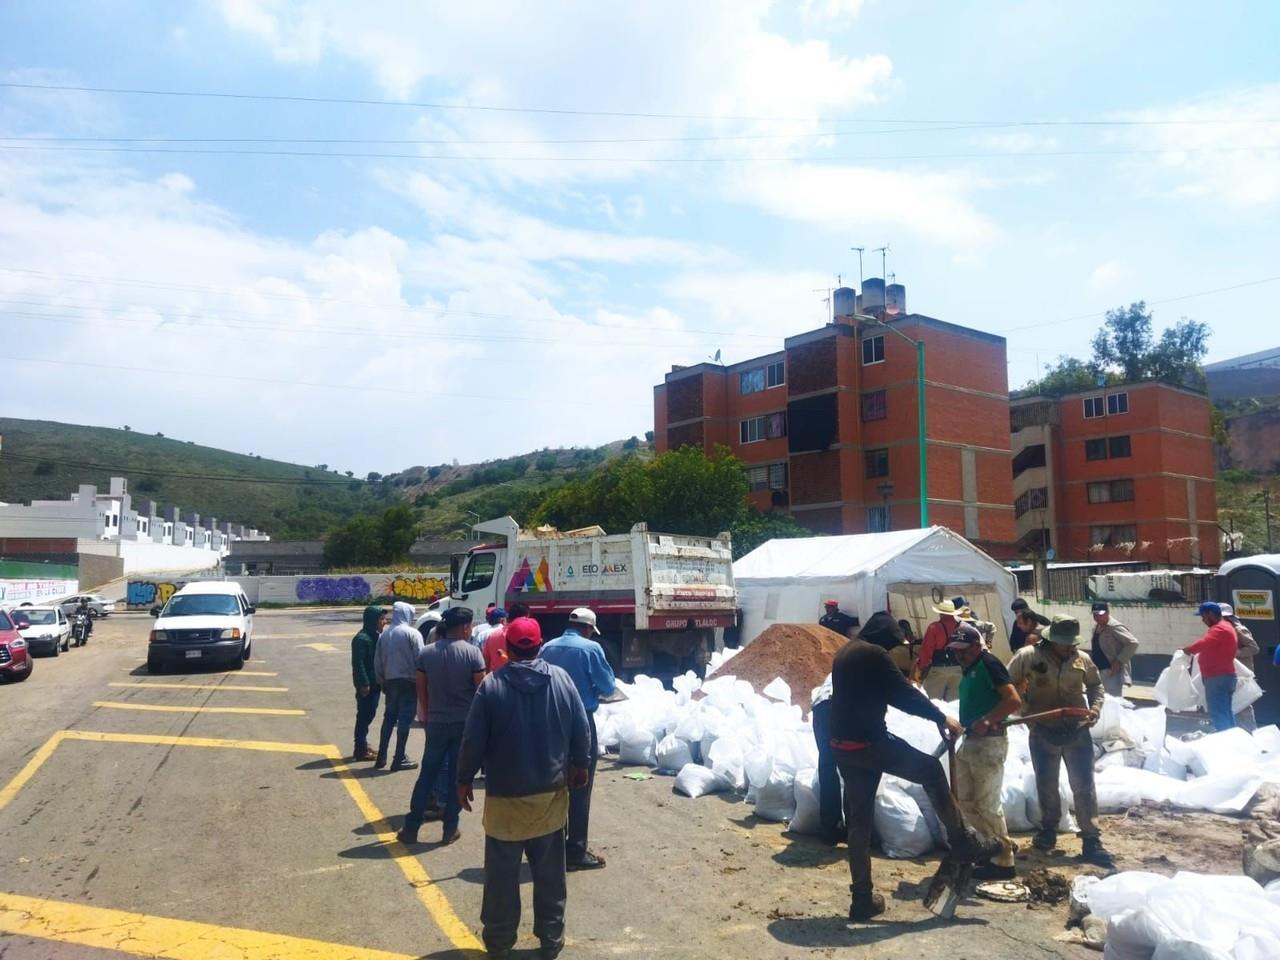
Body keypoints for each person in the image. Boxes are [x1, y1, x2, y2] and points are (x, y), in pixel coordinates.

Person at [829, 633, 999, 920]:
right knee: (931, 770)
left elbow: (879, 693)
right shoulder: (874, 654)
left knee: (859, 822)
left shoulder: (844, 653)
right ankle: (962, 839)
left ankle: (861, 899)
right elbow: (902, 694)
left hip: (844, 746)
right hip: (870, 744)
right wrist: (939, 717)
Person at [457, 616, 590, 959]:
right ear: (540, 643)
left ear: (507, 649)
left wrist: (463, 779)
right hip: (550, 796)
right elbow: (581, 728)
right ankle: (551, 938)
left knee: (502, 878)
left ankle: (500, 942)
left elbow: (472, 740)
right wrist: (580, 765)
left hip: (505, 800)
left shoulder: (491, 686)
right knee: (549, 876)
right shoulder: (561, 680)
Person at [1008, 615, 1113, 867]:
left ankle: (1090, 838)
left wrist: (1095, 709)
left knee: (1083, 785)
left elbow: (1096, 687)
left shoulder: (1082, 659)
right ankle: (1048, 831)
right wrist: (1025, 712)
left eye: (1071, 643)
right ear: (1051, 639)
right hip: (1043, 729)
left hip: (1077, 730)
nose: (1069, 648)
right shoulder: (1028, 657)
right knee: (1047, 783)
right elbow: (1006, 685)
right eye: (1064, 643)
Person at [398, 606, 486, 845]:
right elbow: (481, 691)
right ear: (466, 627)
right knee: (456, 777)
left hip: (436, 721)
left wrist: (426, 716)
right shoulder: (473, 653)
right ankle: (449, 828)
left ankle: (412, 826)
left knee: (427, 774)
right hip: (463, 723)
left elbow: (421, 689)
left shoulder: (426, 654)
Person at [539, 607, 617, 871]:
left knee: (554, 786)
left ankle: (554, 845)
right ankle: (575, 851)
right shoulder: (591, 650)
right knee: (581, 786)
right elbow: (607, 687)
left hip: (549, 722)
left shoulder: (547, 647)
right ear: (587, 629)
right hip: (581, 722)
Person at [949, 623, 1022, 880]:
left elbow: (1013, 699)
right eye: (956, 652)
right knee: (966, 801)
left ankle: (1004, 862)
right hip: (971, 741)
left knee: (987, 804)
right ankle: (989, 848)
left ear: (977, 646)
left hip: (990, 743)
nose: (960, 656)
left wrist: (988, 720)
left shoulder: (988, 664)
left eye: (964, 651)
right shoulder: (969, 668)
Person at [374, 601, 425, 771]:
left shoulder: (385, 635)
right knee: (404, 720)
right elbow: (421, 659)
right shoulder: (413, 633)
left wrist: (382, 682)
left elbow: (378, 662)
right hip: (409, 682)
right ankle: (399, 757)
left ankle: (381, 755)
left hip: (390, 682)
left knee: (389, 718)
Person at [1183, 602, 1239, 732]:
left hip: (1217, 677)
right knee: (1225, 712)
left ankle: (1226, 742)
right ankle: (1233, 740)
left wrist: (1188, 649)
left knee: (1218, 713)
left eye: (1203, 616)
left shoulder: (1220, 628)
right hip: (1224, 676)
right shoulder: (1226, 626)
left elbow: (1204, 642)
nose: (1202, 620)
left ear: (1211, 614)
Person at [809, 672, 843, 845]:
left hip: (821, 708)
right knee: (853, 769)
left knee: (828, 766)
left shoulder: (840, 668)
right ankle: (854, 829)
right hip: (839, 708)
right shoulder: (871, 670)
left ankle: (829, 828)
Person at [351, 605, 388, 761]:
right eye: (381, 619)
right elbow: (358, 664)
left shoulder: (374, 636)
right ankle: (360, 749)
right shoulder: (362, 639)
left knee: (369, 714)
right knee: (364, 716)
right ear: (373, 620)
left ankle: (363, 744)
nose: (384, 622)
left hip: (375, 683)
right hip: (367, 685)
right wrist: (363, 684)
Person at [1089, 601, 1140, 698]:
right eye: (1095, 615)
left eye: (1100, 614)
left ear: (1107, 613)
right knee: (1098, 701)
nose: (1097, 617)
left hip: (1111, 671)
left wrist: (1119, 661)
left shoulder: (1114, 627)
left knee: (1112, 702)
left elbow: (1133, 643)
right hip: (1098, 671)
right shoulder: (1097, 627)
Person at [1221, 603, 1259, 731]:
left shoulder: (1239, 629)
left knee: (1244, 706)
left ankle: (1251, 733)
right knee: (1234, 705)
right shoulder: (1224, 629)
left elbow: (1254, 648)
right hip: (1231, 672)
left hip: (1243, 674)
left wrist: (1235, 653)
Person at [914, 600, 963, 700]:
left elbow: (926, 650)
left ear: (940, 612)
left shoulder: (934, 627)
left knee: (932, 702)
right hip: (958, 668)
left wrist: (920, 667)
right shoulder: (962, 627)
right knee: (954, 703)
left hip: (939, 668)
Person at [860, 611, 912, 678]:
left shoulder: (886, 619)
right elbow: (904, 641)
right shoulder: (898, 632)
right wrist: (908, 643)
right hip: (869, 653)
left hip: (859, 644)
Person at [484, 601, 529, 674]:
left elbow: (486, 662)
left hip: (496, 681)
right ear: (526, 617)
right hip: (518, 681)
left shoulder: (493, 635)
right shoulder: (526, 637)